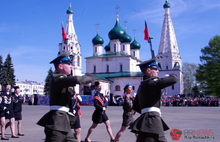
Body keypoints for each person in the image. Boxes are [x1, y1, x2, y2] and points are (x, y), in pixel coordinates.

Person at [37, 51, 92, 142]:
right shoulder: (57, 79)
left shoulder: (64, 80)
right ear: (60, 66)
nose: (71, 66)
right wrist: (91, 77)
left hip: (64, 122)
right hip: (56, 123)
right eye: (68, 64)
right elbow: (77, 79)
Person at [130, 58, 178, 142]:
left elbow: (135, 106)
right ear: (149, 70)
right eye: (155, 69)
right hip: (151, 120)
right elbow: (174, 79)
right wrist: (172, 74)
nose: (158, 71)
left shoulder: (142, 85)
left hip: (150, 119)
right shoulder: (150, 83)